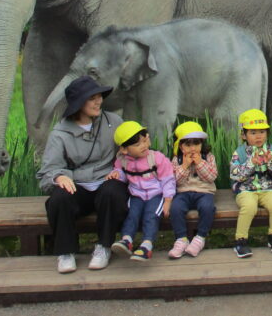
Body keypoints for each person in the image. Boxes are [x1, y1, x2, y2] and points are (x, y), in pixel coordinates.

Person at [37, 76, 128, 274]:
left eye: (99, 97)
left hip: (106, 181)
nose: (98, 102)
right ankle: (65, 252)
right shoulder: (60, 133)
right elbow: (48, 171)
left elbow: (130, 151)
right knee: (59, 198)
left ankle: (104, 247)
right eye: (91, 98)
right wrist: (59, 177)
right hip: (78, 185)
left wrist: (120, 168)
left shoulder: (113, 122)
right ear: (78, 104)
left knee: (113, 192)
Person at [108, 121, 175, 261]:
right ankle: (127, 240)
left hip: (156, 195)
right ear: (124, 149)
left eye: (145, 141)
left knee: (151, 216)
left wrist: (168, 199)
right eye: (138, 144)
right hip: (136, 195)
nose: (144, 146)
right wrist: (116, 174)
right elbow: (121, 172)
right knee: (132, 215)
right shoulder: (122, 160)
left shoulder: (156, 158)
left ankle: (147, 245)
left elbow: (168, 179)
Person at [230, 109, 272, 258]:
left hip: (268, 188)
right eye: (253, 133)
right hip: (245, 189)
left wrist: (271, 162)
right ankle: (240, 241)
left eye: (262, 132)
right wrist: (250, 164)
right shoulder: (239, 152)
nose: (259, 136)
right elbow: (235, 174)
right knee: (249, 207)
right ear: (244, 135)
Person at [168, 121, 218, 258]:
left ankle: (200, 238)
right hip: (183, 192)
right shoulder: (176, 160)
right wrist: (184, 166)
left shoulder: (208, 157)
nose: (193, 148)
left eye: (196, 144)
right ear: (180, 146)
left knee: (207, 207)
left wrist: (200, 163)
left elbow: (211, 177)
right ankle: (181, 239)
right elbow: (175, 181)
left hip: (204, 192)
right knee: (176, 208)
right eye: (188, 145)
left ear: (202, 144)